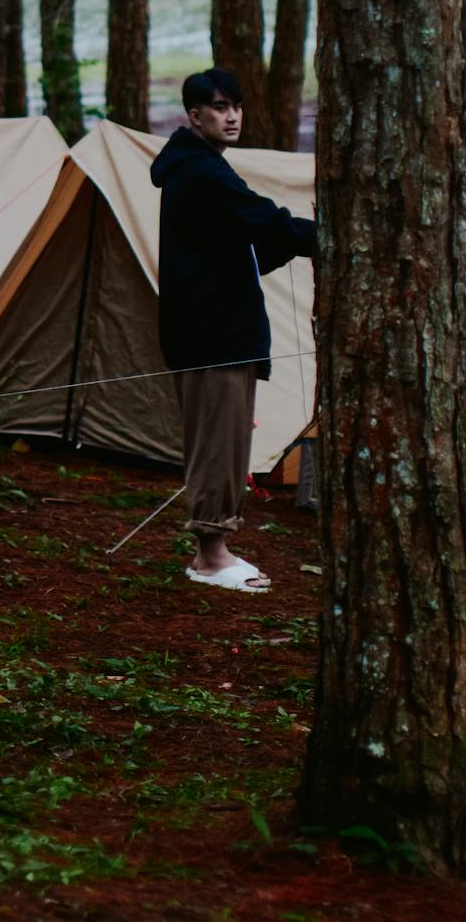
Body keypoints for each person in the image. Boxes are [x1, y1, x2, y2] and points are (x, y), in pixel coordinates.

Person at [149, 68, 316, 593]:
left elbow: (247, 245)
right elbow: (262, 220)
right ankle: (210, 557)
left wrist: (291, 240)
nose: (233, 115)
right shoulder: (200, 172)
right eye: (220, 107)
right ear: (194, 116)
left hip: (221, 332)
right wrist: (328, 239)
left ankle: (215, 550)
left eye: (236, 105)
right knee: (217, 445)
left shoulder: (201, 169)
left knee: (226, 440)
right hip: (211, 335)